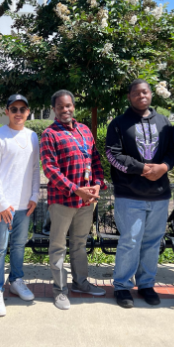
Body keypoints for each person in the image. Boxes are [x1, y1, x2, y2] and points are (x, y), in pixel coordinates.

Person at [106, 79, 174, 309]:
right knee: (130, 240)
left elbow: (172, 151)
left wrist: (163, 167)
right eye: (136, 93)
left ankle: (146, 284)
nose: (141, 96)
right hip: (129, 195)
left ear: (151, 94)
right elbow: (112, 154)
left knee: (152, 242)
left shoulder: (164, 122)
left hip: (159, 195)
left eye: (145, 92)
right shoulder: (119, 123)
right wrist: (142, 168)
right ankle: (122, 286)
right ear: (129, 97)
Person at [40, 90, 107, 311]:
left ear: (74, 106)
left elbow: (95, 159)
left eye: (69, 106)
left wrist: (97, 184)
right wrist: (75, 189)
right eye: (61, 107)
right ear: (54, 109)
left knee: (79, 244)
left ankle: (81, 283)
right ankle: (60, 291)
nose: (65, 110)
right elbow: (50, 168)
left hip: (86, 202)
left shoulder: (85, 131)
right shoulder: (49, 134)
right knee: (58, 247)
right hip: (62, 200)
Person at [0, 94, 40, 317]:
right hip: (2, 206)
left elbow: (36, 169)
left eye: (23, 109)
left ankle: (16, 280)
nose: (19, 113)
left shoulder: (33, 136)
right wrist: (1, 202)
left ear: (28, 112)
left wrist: (35, 195)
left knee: (18, 246)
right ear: (7, 111)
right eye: (14, 108)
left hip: (24, 204)